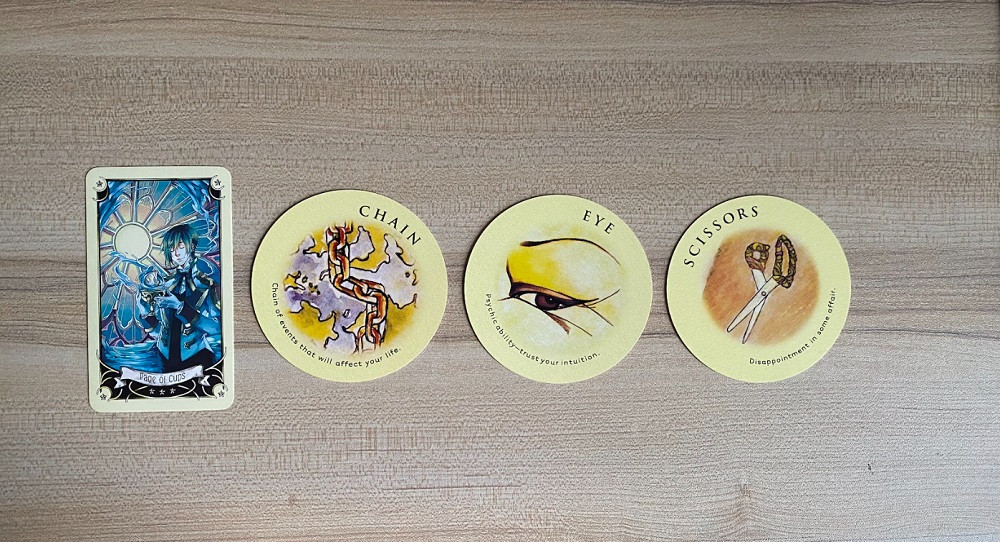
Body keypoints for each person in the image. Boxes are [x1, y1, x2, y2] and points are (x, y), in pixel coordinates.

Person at [137, 224, 221, 373]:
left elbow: (216, 328)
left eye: (180, 246)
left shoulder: (206, 284)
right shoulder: (165, 285)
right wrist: (145, 313)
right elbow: (160, 331)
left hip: (197, 357)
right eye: (171, 248)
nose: (176, 253)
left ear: (192, 246)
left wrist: (181, 307)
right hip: (164, 360)